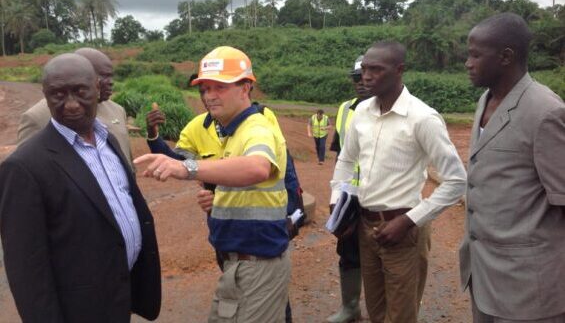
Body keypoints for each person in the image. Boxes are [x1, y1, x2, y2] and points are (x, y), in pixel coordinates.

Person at [0, 53, 161, 322]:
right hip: (77, 310)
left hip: (119, 296)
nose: (71, 104)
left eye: (80, 91)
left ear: (97, 89)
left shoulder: (106, 140)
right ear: (45, 95)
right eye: (58, 94)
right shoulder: (23, 166)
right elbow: (27, 269)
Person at [135, 46, 290, 322]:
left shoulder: (256, 128)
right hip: (235, 261)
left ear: (246, 87)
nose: (209, 96)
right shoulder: (225, 130)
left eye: (219, 86)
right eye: (205, 88)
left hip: (258, 262)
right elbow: (226, 179)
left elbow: (257, 166)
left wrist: (186, 168)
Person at [330, 41, 467, 322]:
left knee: (401, 314)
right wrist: (338, 203)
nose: (366, 76)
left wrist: (408, 221)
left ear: (399, 70)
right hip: (366, 228)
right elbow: (345, 160)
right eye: (364, 69)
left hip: (404, 231)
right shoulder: (361, 113)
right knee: (377, 311)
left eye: (376, 70)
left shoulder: (422, 118)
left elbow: (456, 180)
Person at [460, 13, 565, 322]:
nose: (468, 62)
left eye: (476, 55)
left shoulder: (545, 112)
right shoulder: (486, 100)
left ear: (506, 56)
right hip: (483, 275)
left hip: (530, 290)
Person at [17, 47, 134, 170]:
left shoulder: (117, 110)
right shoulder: (37, 117)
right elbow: (27, 169)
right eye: (104, 76)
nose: (110, 82)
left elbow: (127, 161)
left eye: (110, 76)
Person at [326, 55, 371, 323]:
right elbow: (340, 155)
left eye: (366, 76)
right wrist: (337, 197)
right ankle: (350, 307)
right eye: (356, 78)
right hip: (349, 199)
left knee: (385, 257)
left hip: (381, 198)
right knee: (348, 252)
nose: (361, 82)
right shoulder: (345, 109)